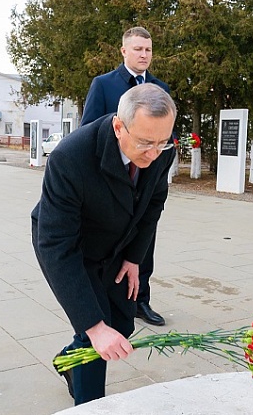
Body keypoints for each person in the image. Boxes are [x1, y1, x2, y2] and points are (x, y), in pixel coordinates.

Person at [32, 84, 177, 405]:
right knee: (95, 334)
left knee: (122, 325)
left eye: (162, 143)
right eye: (145, 143)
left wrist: (134, 259)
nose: (154, 154)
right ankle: (90, 405)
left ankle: (66, 362)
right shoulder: (70, 157)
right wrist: (95, 327)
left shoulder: (161, 150)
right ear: (118, 127)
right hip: (72, 243)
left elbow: (153, 205)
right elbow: (57, 246)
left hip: (118, 241)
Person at [80, 26, 170, 327]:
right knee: (109, 239)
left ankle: (141, 299)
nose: (144, 54)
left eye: (148, 49)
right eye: (138, 49)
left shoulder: (160, 89)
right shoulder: (104, 85)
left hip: (144, 183)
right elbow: (89, 131)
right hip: (110, 181)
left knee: (145, 238)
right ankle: (101, 299)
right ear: (124, 51)